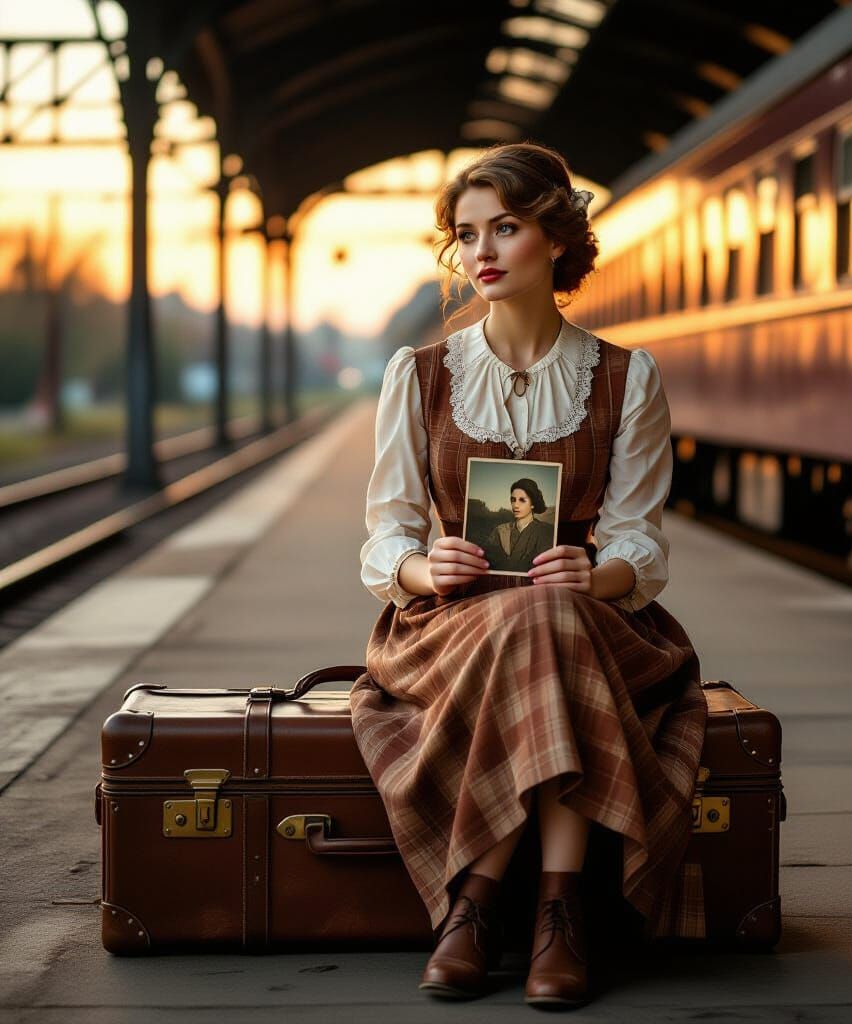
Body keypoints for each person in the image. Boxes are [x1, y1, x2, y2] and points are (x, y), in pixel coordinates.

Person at [352, 141, 707, 1010]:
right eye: (466, 234)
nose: (481, 252)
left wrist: (601, 573)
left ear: (554, 238)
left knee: (548, 621)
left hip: (591, 619)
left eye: (504, 228)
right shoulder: (421, 375)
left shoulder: (627, 376)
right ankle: (563, 912)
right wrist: (421, 567)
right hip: (447, 627)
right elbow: (384, 535)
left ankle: (474, 904)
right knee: (534, 628)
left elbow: (641, 538)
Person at [481, 479, 555, 573]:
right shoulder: (500, 530)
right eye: (513, 500)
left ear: (532, 504)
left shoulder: (546, 531)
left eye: (522, 500)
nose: (515, 505)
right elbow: (486, 562)